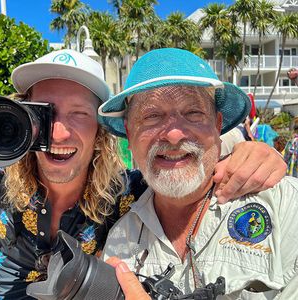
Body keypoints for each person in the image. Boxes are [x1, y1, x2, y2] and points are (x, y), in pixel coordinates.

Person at [0, 49, 287, 299]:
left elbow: (182, 169)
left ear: (102, 130)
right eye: (43, 114)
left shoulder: (130, 196)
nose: (59, 132)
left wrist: (250, 153)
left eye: (79, 114)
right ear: (22, 118)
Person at [99, 48, 298, 299]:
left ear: (217, 125)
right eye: (152, 116)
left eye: (193, 113)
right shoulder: (120, 239)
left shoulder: (284, 205)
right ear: (129, 133)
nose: (173, 135)